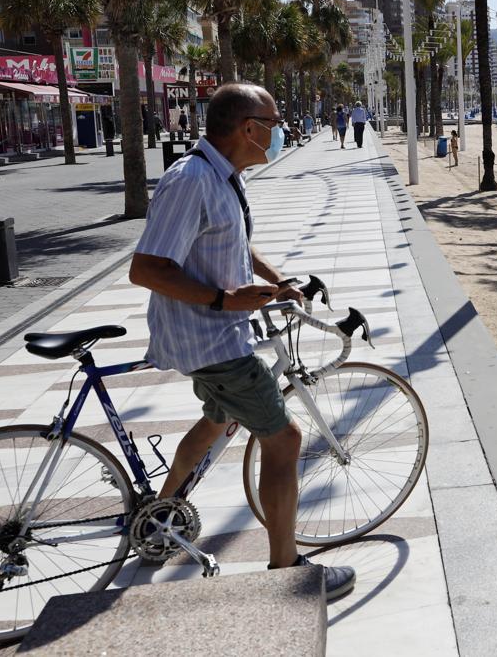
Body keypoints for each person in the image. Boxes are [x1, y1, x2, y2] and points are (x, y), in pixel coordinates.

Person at [128, 83, 355, 600]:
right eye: (274, 124)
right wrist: (224, 300)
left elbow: (230, 241)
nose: (280, 133)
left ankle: (159, 521)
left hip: (212, 333)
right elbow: (146, 268)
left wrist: (277, 282)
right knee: (286, 439)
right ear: (248, 128)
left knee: (217, 419)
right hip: (210, 339)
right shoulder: (191, 180)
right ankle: (287, 571)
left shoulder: (221, 177)